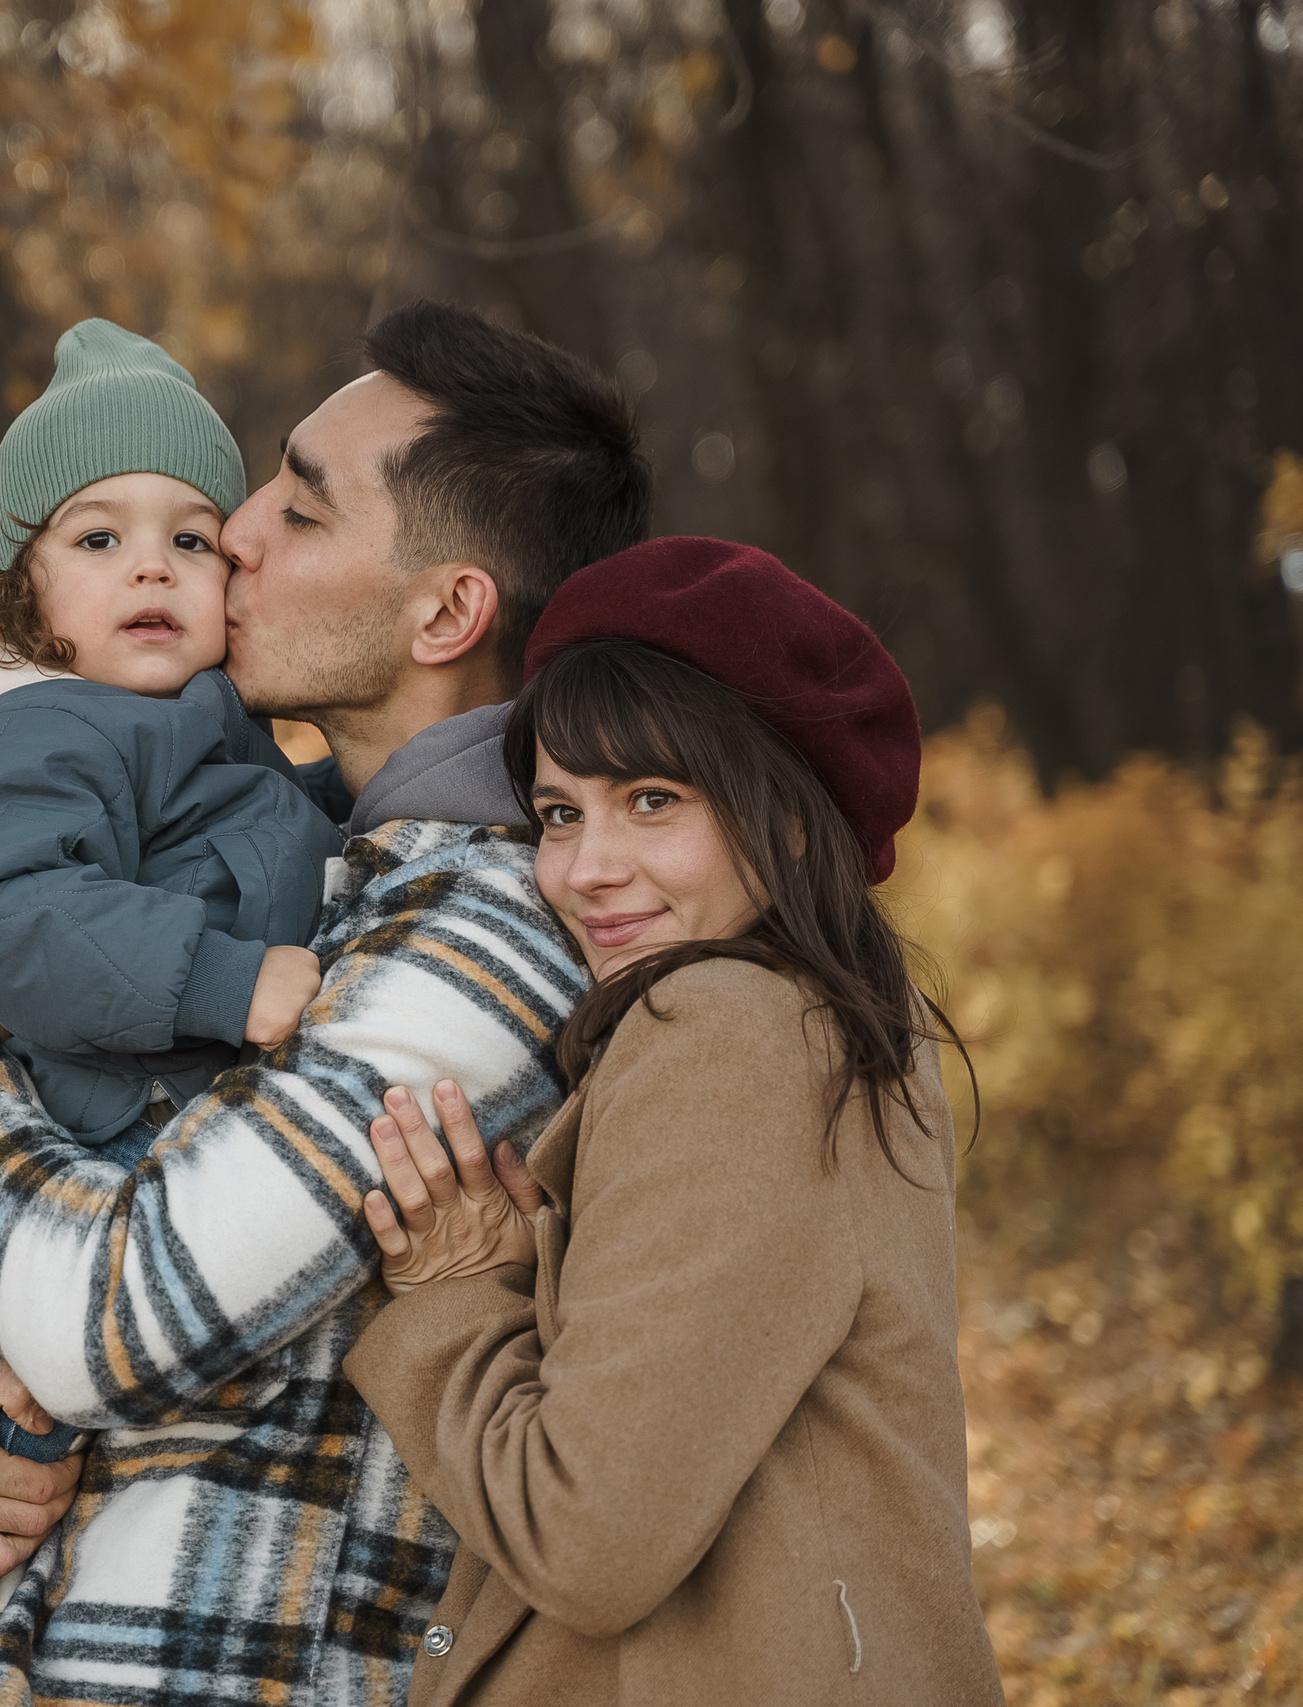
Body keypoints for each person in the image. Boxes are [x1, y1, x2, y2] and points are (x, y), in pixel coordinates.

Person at [0, 300, 651, 1706]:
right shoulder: (306, 848)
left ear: (448, 609)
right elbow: (43, 1202)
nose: (231, 534)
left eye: (298, 511)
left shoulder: (488, 925)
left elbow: (105, 1318)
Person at [341, 536, 1007, 1704]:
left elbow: (588, 1537)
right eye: (556, 813)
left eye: (653, 801)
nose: (586, 868)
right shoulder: (843, 1018)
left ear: (788, 815)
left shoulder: (724, 1033)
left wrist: (449, 1301)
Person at [0, 319, 344, 1707]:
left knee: (31, 1579)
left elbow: (287, 836)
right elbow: (8, 910)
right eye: (98, 539)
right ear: (27, 594)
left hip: (112, 1193)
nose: (151, 566)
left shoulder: (219, 730)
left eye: (187, 537)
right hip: (40, 1199)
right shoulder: (38, 724)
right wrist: (226, 979)